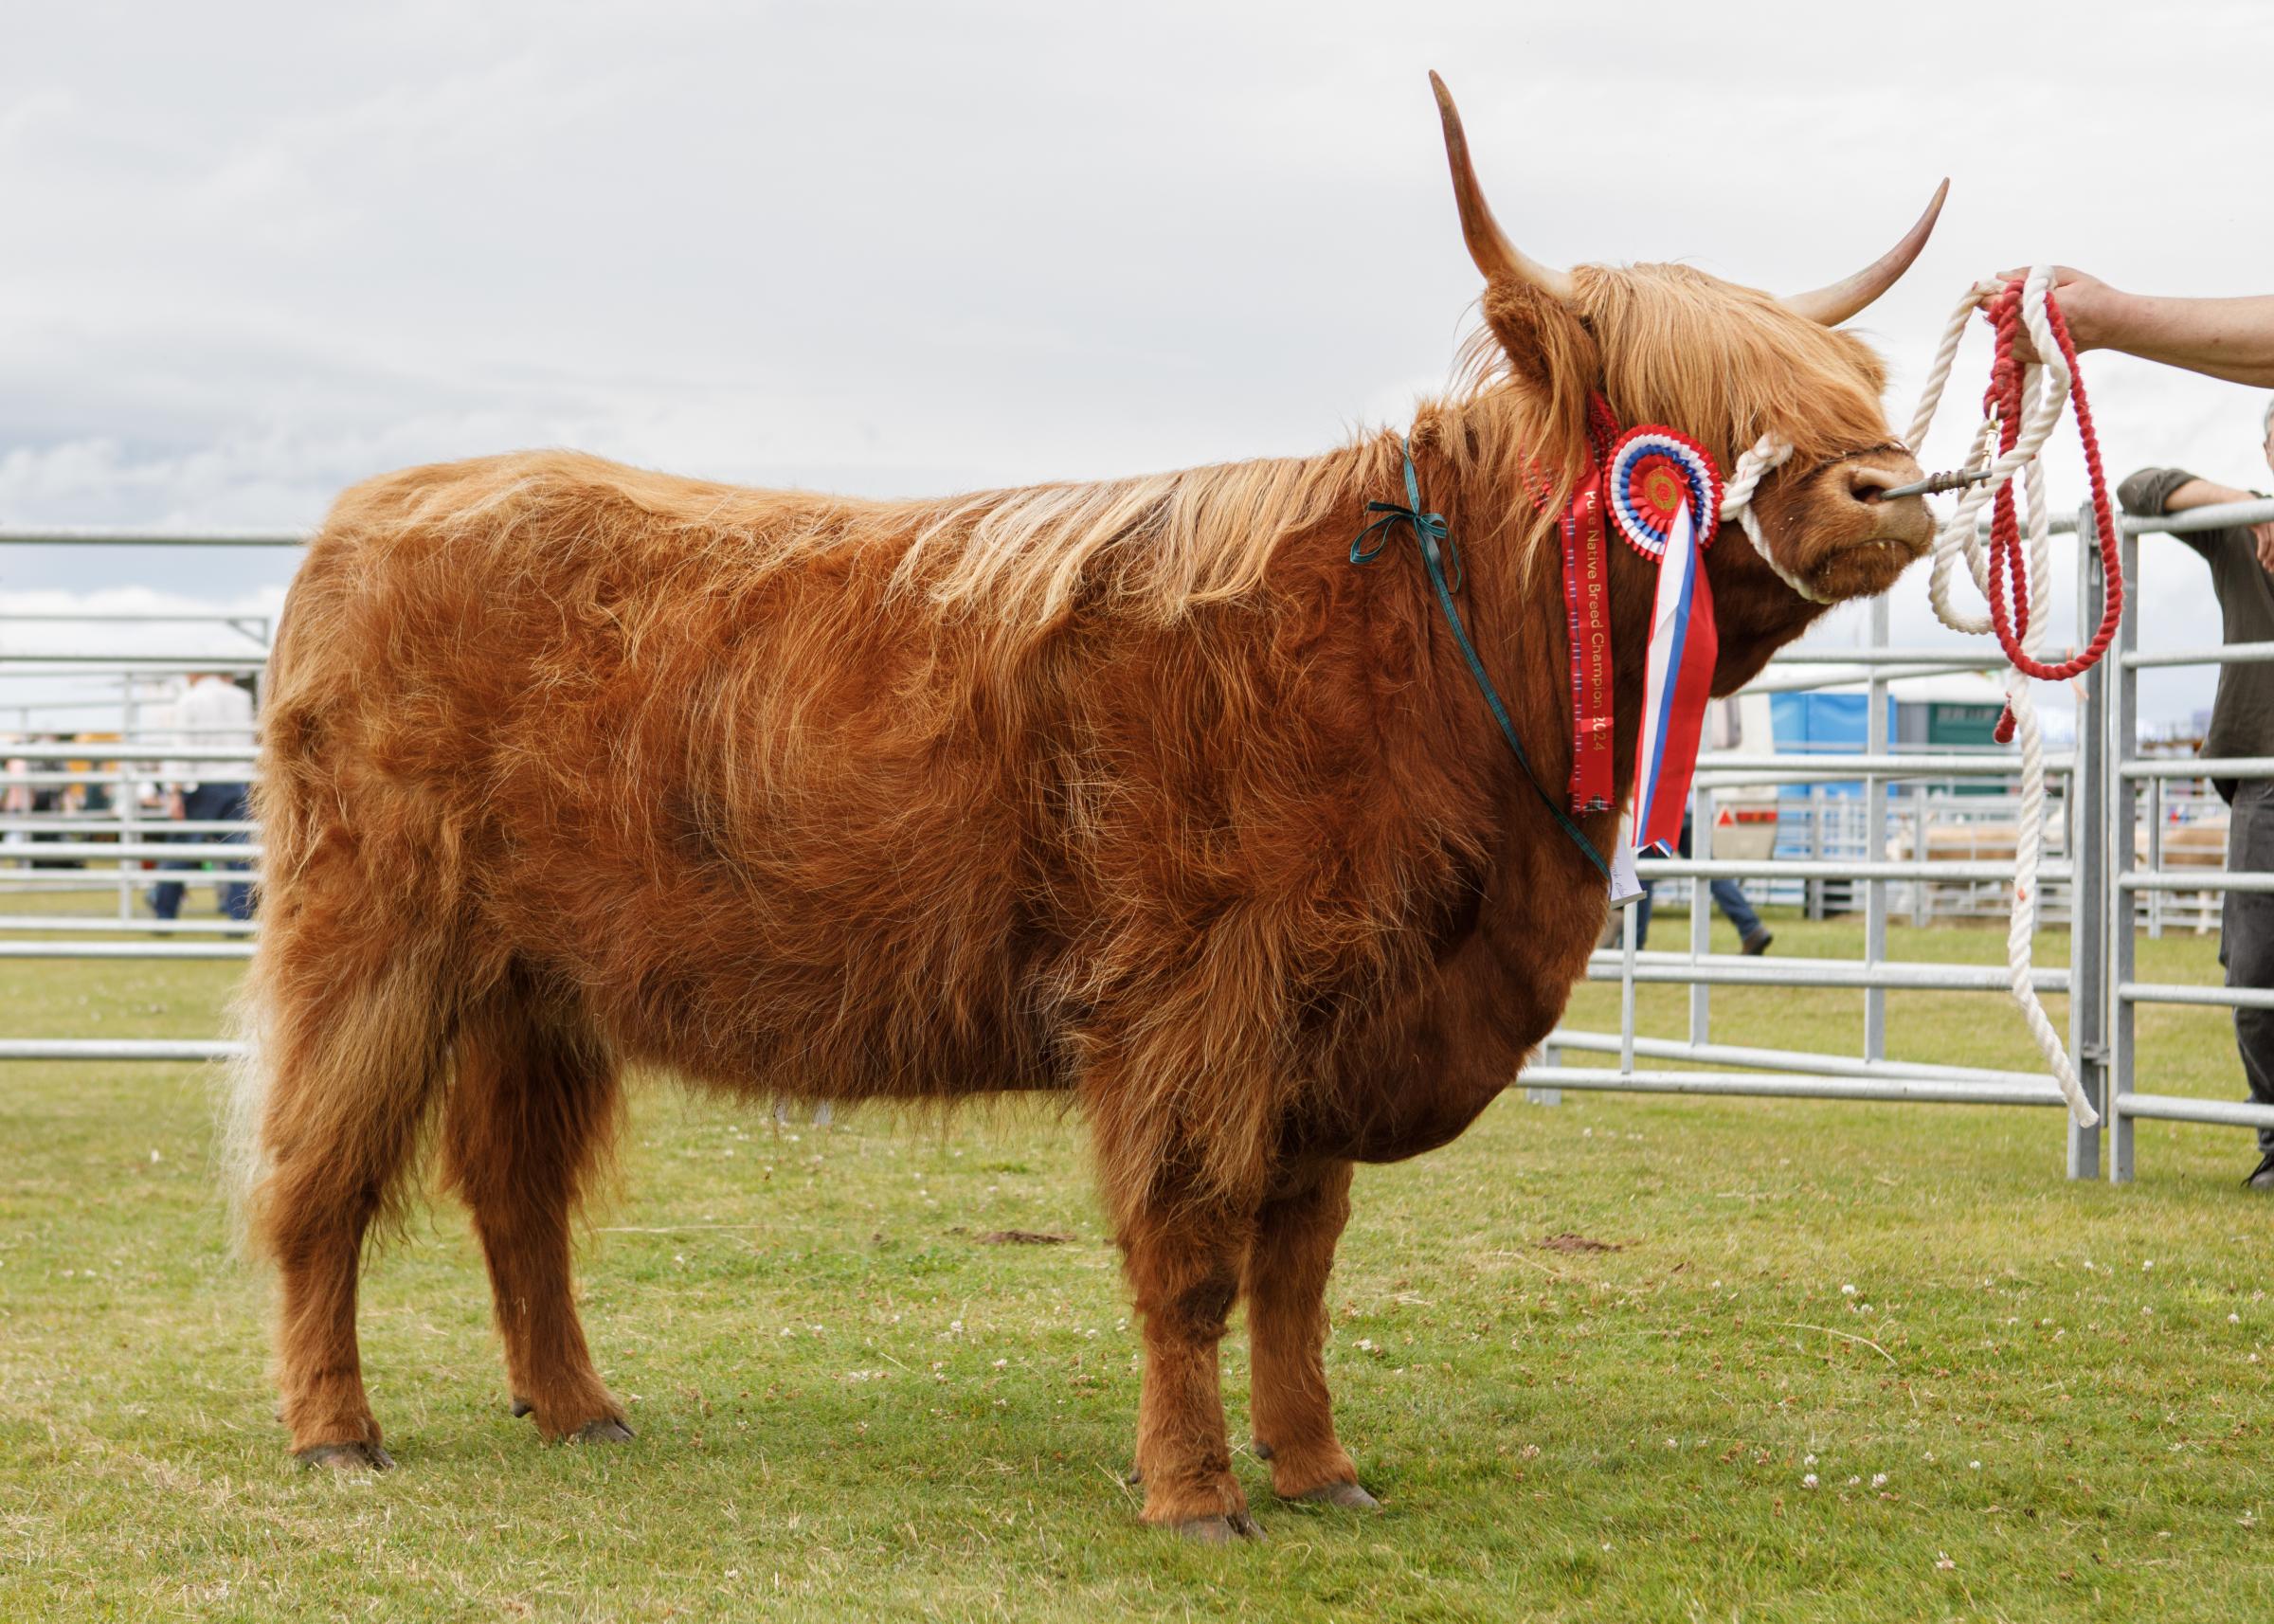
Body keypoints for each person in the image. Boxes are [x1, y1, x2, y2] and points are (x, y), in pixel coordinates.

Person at [2119, 403, 2274, 1191]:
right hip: (2266, 777)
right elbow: (2138, 490)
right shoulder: (2240, 526)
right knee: (2254, 969)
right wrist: (2246, 508)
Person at [151, 673, 257, 922]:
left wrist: (174, 791)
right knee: (240, 852)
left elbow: (182, 747)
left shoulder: (190, 699)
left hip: (200, 783)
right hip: (236, 782)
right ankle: (239, 917)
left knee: (182, 850)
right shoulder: (241, 698)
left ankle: (164, 911)